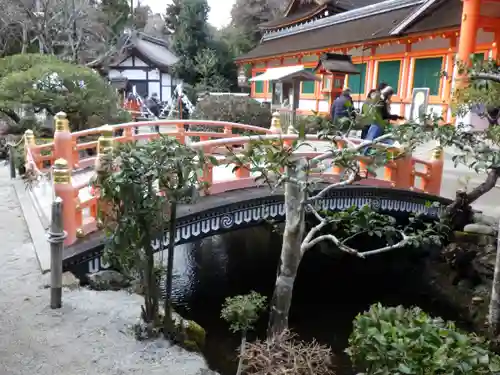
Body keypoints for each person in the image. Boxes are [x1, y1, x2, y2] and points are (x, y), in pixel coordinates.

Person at [363, 85, 404, 154]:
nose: (391, 97)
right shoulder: (381, 101)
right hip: (377, 124)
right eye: (391, 95)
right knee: (370, 141)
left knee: (375, 140)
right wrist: (397, 117)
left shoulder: (380, 100)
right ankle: (364, 154)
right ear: (388, 94)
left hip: (378, 123)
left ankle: (367, 154)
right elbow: (385, 115)